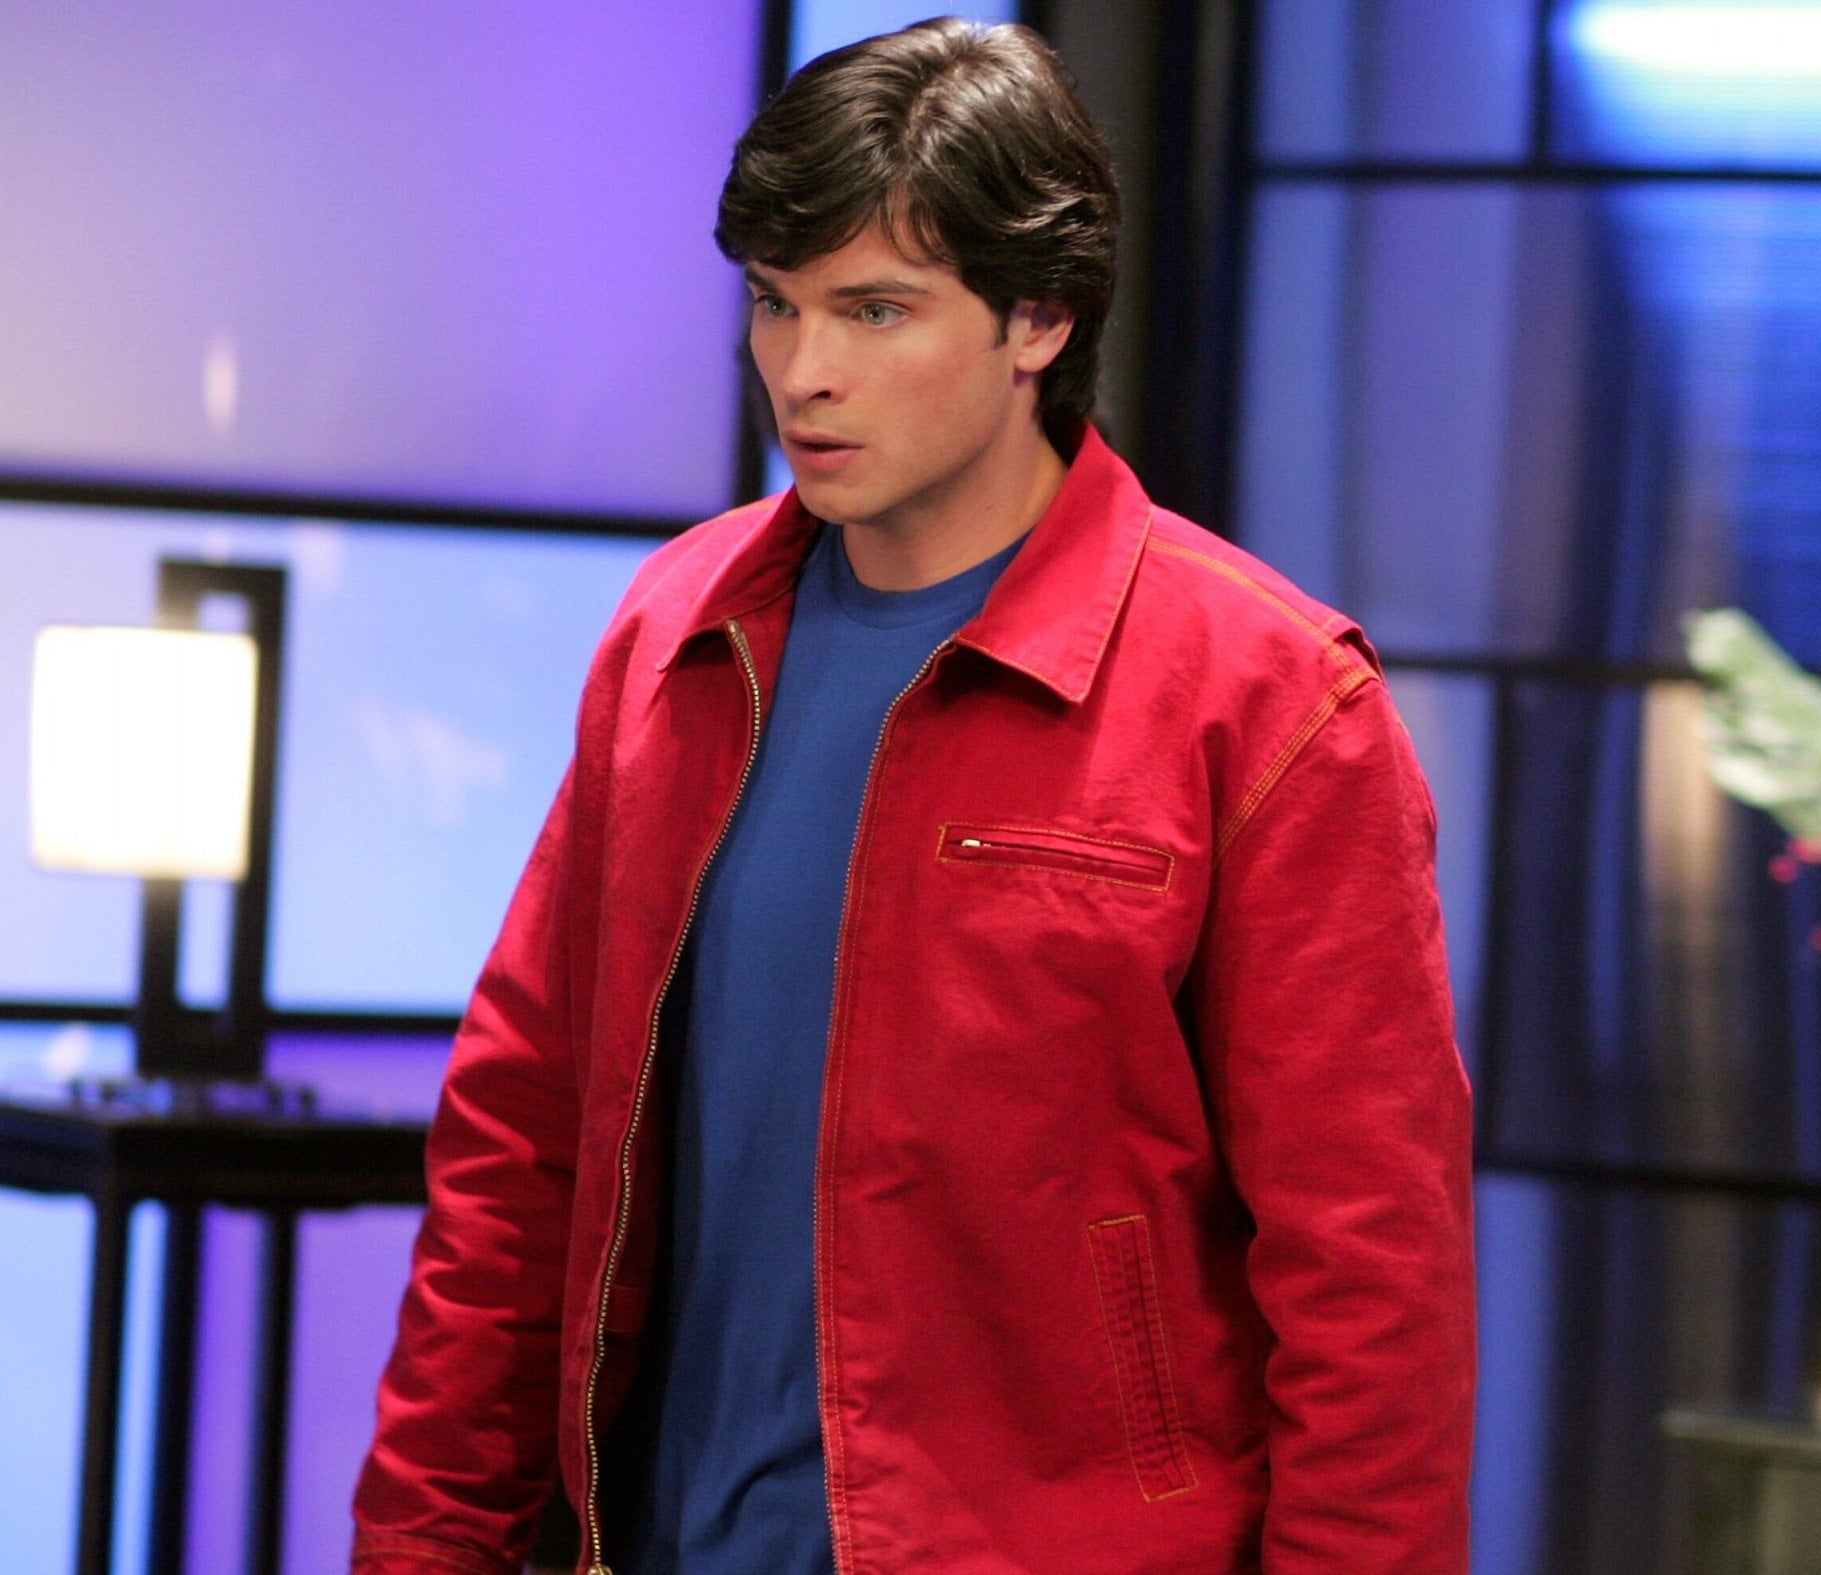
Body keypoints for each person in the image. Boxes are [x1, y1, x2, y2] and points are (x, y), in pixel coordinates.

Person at [349, 20, 1474, 1575]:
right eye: (777, 302)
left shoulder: (1270, 699)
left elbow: (1372, 1287)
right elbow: (521, 1147)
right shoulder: (682, 631)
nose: (803, 372)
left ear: (1039, 317)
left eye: (876, 310)